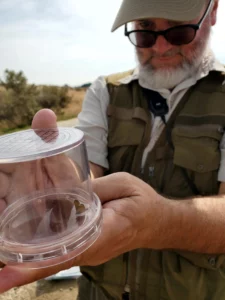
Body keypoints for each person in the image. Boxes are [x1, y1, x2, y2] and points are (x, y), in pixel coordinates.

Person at [1, 0, 225, 299]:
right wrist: (60, 193)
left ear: (212, 12)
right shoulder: (105, 91)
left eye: (178, 30)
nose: (159, 48)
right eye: (145, 29)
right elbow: (86, 175)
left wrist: (158, 222)